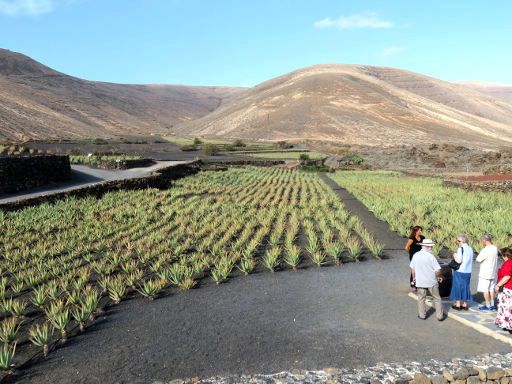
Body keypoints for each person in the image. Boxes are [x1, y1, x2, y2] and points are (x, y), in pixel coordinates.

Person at [410, 238, 445, 321]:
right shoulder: (431, 257)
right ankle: (439, 316)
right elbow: (438, 270)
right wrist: (439, 276)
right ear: (427, 247)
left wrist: (414, 278)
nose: (431, 248)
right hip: (431, 281)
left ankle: (422, 315)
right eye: (430, 247)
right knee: (437, 298)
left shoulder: (416, 255)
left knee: (421, 298)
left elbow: (413, 269)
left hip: (420, 281)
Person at [450, 234, 474, 310]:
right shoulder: (470, 249)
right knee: (466, 287)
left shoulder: (460, 249)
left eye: (458, 241)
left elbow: (459, 261)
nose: (457, 242)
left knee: (457, 287)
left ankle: (458, 304)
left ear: (462, 241)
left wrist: (454, 255)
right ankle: (465, 304)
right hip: (468, 271)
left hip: (460, 271)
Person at [475, 234, 498, 311]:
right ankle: (492, 305)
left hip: (485, 273)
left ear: (485, 240)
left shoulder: (485, 250)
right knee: (491, 289)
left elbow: (478, 259)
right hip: (493, 272)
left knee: (485, 290)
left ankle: (488, 306)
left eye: (482, 240)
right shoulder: (495, 248)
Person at [495, 247, 512, 333]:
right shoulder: (509, 262)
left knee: (507, 308)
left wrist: (498, 285)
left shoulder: (508, 263)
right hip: (509, 288)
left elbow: (507, 276)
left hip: (507, 289)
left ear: (505, 255)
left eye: (501, 255)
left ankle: (509, 326)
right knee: (506, 307)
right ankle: (505, 324)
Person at [405, 226, 425, 290]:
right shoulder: (412, 238)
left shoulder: (423, 238)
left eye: (421, 230)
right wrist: (410, 253)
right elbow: (406, 248)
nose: (421, 231)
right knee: (414, 270)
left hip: (421, 255)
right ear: (416, 231)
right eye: (419, 230)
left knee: (420, 269)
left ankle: (419, 284)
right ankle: (413, 284)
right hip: (413, 256)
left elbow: (424, 246)